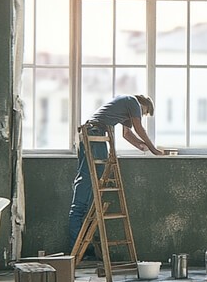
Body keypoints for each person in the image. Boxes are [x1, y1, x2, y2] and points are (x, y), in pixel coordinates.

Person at [68, 94, 163, 255]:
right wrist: (154, 150)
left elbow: (127, 134)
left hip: (91, 132)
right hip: (95, 133)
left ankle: (81, 243)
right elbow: (139, 127)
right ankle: (77, 244)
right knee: (92, 180)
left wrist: (141, 147)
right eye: (144, 112)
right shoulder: (132, 101)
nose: (141, 115)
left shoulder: (125, 107)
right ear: (142, 104)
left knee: (89, 181)